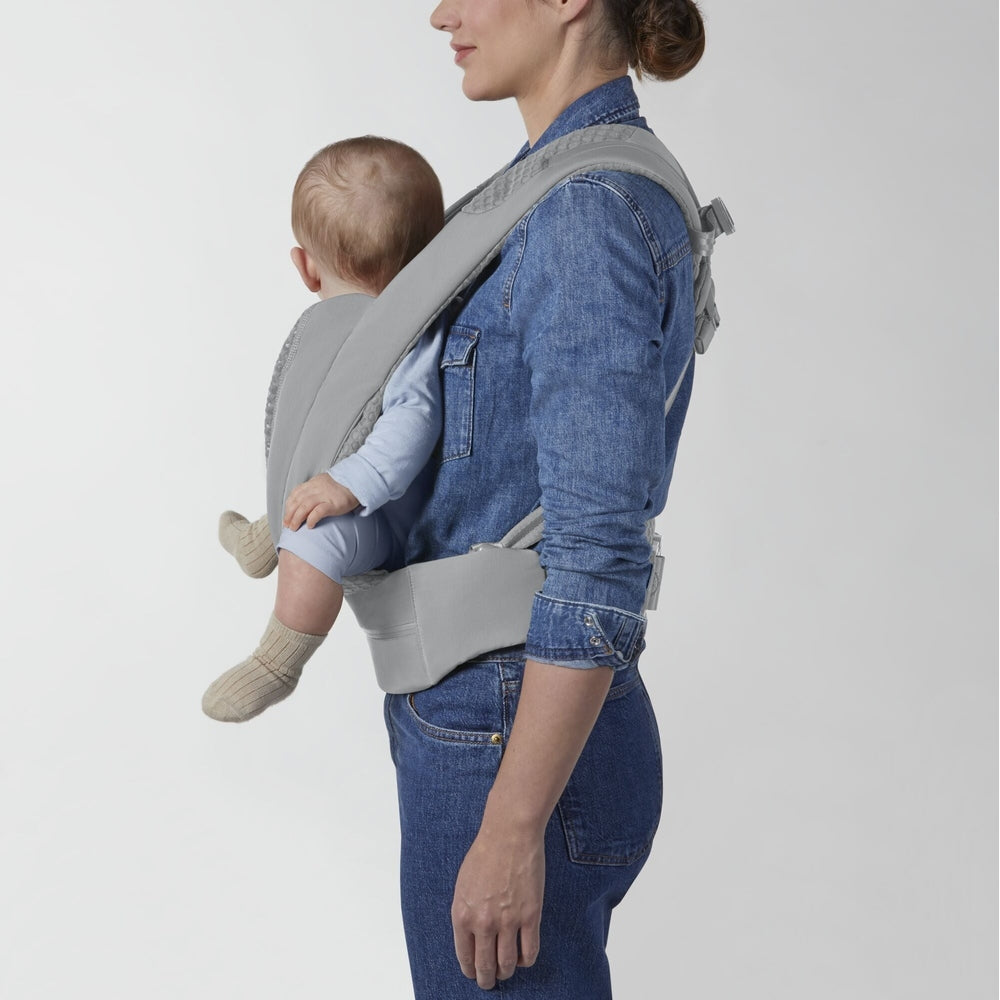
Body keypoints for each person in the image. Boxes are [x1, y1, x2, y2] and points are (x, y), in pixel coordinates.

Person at [381, 0, 707, 996]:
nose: (440, 13)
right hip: (501, 711)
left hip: (510, 731)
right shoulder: (550, 190)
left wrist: (514, 823)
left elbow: (600, 550)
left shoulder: (582, 208)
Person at [202, 136, 445, 724]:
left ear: (305, 266)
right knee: (305, 488)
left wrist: (350, 484)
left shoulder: (406, 331)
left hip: (382, 513)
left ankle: (276, 661)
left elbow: (415, 420)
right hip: (339, 486)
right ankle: (267, 538)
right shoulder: (321, 329)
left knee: (317, 531)